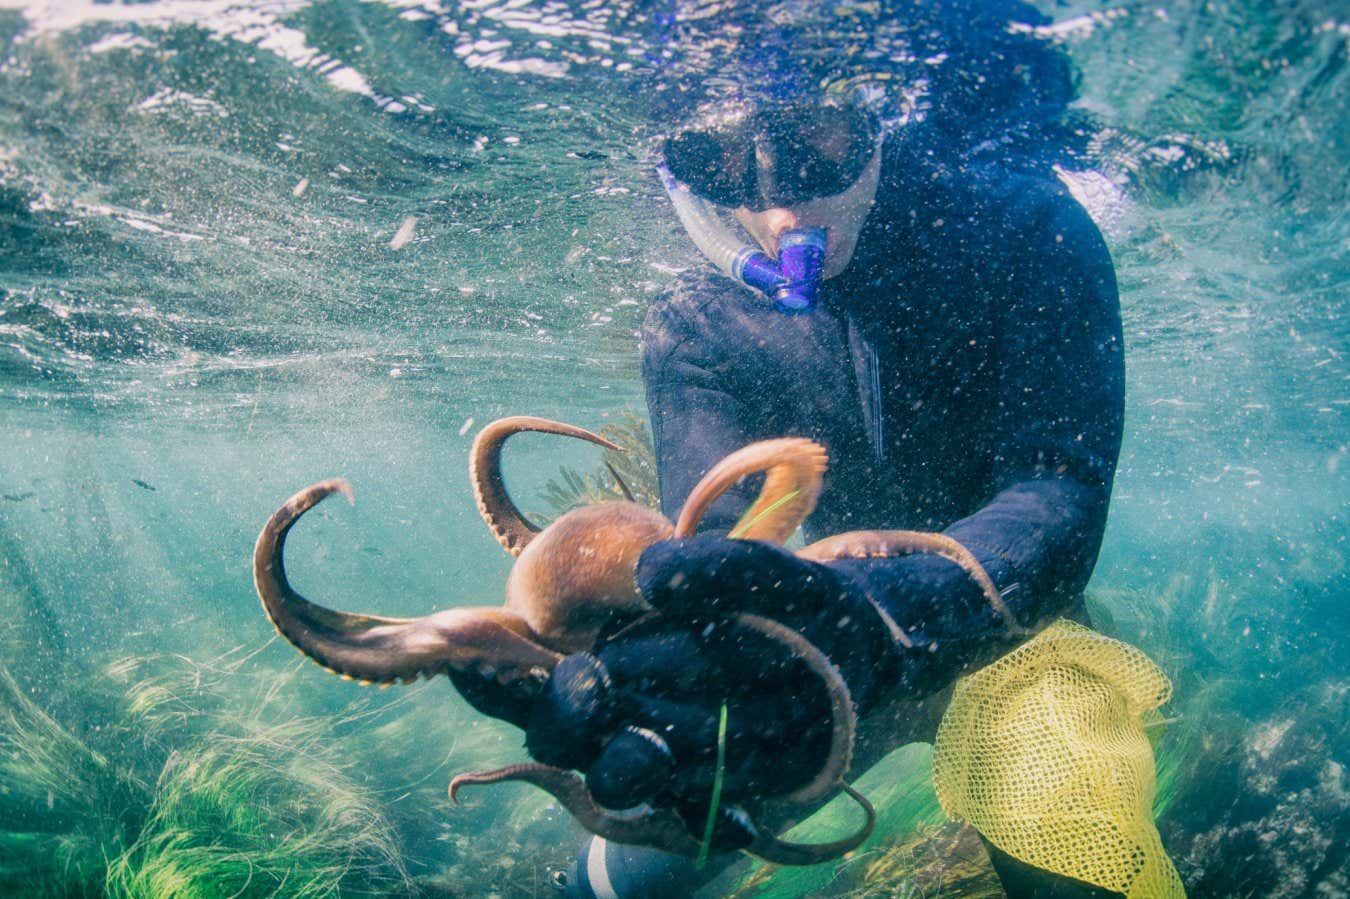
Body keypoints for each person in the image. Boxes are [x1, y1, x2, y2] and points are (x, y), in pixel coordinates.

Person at [453, 5, 1180, 897]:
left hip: (1009, 629)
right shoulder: (693, 328)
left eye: (817, 142)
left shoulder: (1028, 234)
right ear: (681, 173)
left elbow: (1056, 491)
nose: (783, 204)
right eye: (720, 163)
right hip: (809, 639)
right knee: (623, 879)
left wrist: (887, 617)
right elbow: (709, 541)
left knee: (1084, 871)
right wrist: (652, 661)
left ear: (874, 122)